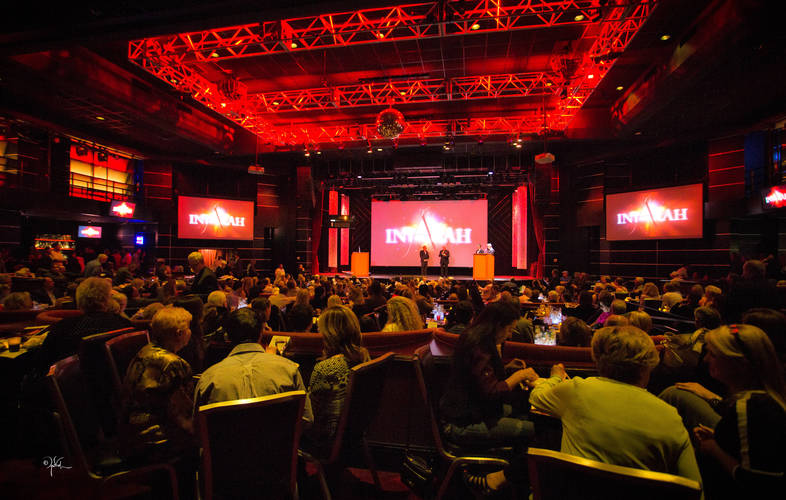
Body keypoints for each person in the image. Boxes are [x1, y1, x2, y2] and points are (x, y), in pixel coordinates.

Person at [529, 325, 701, 483]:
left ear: (597, 359)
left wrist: (555, 376)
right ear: (649, 365)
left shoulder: (576, 390)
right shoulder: (671, 418)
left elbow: (536, 397)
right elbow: (692, 488)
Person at [672, 325, 786, 498]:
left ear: (740, 364)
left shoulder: (750, 406)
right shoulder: (761, 401)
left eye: (713, 354)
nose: (706, 360)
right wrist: (718, 439)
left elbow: (761, 482)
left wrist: (713, 448)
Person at [440, 301, 538, 494]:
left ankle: (510, 481)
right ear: (498, 325)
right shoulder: (479, 345)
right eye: (509, 329)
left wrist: (508, 370)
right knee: (537, 432)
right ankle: (497, 481)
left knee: (526, 414)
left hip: (472, 412)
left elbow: (480, 383)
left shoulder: (477, 338)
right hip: (462, 424)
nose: (510, 335)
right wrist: (519, 376)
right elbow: (491, 393)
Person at [194, 308, 314, 424]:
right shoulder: (289, 370)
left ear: (227, 337)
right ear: (261, 333)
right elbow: (306, 419)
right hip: (279, 438)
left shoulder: (208, 378)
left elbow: (198, 427)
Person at [121, 306, 196, 462]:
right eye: (189, 328)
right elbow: (185, 415)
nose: (191, 332)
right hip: (154, 439)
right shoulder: (174, 363)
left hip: (130, 430)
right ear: (179, 333)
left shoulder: (145, 350)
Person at [305, 305, 370, 452]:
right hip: (353, 437)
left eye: (320, 329)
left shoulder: (327, 368)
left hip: (322, 440)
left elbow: (310, 417)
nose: (318, 332)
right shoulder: (364, 357)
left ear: (329, 334)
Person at [38, 277, 132, 369]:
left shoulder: (64, 327)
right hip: (117, 376)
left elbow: (44, 360)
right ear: (108, 300)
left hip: (74, 378)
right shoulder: (125, 324)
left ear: (79, 299)